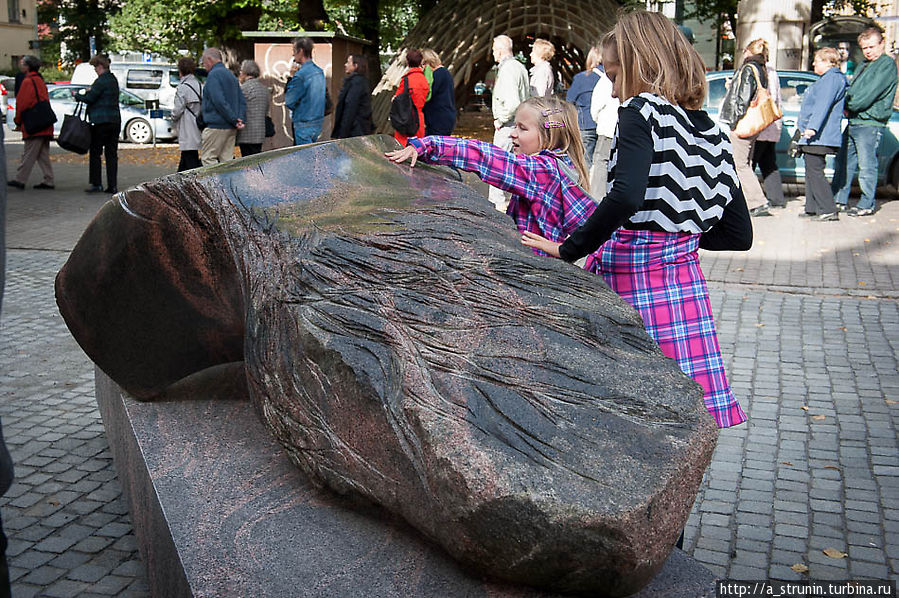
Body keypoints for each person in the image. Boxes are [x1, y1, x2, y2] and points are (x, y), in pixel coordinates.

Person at [519, 11, 750, 430]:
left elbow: (625, 195)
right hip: (684, 288)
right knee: (680, 413)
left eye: (613, 72)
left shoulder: (641, 112)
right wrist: (679, 238)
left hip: (630, 278)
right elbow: (739, 233)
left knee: (609, 402)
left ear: (642, 63)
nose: (610, 85)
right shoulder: (712, 129)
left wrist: (570, 248)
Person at [385, 96, 596, 262]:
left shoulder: (542, 171)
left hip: (536, 267)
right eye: (515, 125)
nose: (513, 133)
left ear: (549, 136)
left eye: (523, 128)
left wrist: (429, 145)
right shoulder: (558, 166)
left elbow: (486, 158)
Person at [832, 26, 898, 217]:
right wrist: (847, 103)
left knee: (867, 165)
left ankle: (866, 204)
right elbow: (852, 91)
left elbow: (866, 95)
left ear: (882, 44)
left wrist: (848, 104)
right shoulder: (864, 65)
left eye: (871, 47)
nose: (868, 51)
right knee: (843, 162)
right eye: (864, 48)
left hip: (870, 122)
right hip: (855, 120)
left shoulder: (886, 64)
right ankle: (839, 199)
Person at [720, 39, 770, 217]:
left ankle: (757, 201)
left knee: (739, 164)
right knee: (745, 163)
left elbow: (742, 99)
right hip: (753, 124)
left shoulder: (748, 68)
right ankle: (751, 201)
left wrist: (734, 122)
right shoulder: (761, 68)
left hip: (743, 123)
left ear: (748, 51)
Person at [797, 48, 848, 221]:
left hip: (819, 135)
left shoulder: (831, 79)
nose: (813, 63)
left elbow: (822, 105)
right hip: (816, 135)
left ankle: (828, 209)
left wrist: (812, 128)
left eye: (817, 60)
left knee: (815, 171)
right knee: (811, 170)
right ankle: (812, 207)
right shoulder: (829, 79)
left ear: (828, 62)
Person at [489, 34, 529, 212]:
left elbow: (512, 102)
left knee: (498, 163)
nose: (492, 54)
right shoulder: (518, 67)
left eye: (493, 50)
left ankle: (496, 205)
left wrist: (501, 120)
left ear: (499, 50)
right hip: (518, 124)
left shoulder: (508, 69)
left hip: (508, 125)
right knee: (512, 164)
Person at [8, 55, 54, 190]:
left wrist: (17, 121)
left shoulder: (27, 82)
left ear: (28, 66)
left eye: (22, 63)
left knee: (29, 153)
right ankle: (49, 179)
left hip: (34, 125)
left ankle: (20, 179)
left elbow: (22, 103)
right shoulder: (40, 80)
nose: (20, 66)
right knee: (42, 154)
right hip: (45, 122)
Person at [750, 41, 785, 211]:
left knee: (748, 164)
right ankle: (776, 198)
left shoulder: (756, 70)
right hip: (771, 124)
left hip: (758, 125)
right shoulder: (772, 72)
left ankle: (754, 200)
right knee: (768, 162)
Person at [77, 55, 121, 194]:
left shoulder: (101, 81)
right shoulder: (113, 80)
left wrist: (78, 96)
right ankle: (112, 185)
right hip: (114, 121)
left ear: (100, 66)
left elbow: (90, 98)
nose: (95, 70)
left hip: (101, 122)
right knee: (111, 154)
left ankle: (97, 183)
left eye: (95, 67)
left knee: (96, 153)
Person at [199, 48, 246, 166]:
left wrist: (233, 119)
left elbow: (219, 101)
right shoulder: (231, 75)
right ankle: (228, 184)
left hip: (216, 125)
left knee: (208, 158)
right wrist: (239, 119)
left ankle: (214, 184)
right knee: (227, 160)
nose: (204, 66)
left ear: (209, 60)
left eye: (204, 62)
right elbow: (241, 100)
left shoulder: (213, 76)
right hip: (230, 127)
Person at [589, 34, 620, 201]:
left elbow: (596, 106)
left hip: (607, 129)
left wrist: (599, 121)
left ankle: (597, 199)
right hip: (615, 127)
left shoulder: (605, 81)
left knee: (601, 164)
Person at [284, 36, 326, 146]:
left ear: (300, 51)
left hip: (303, 123)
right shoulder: (319, 72)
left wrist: (291, 77)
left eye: (294, 51)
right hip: (317, 122)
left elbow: (289, 101)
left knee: (305, 159)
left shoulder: (301, 75)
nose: (293, 54)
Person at [566, 46, 601, 171]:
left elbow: (569, 101)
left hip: (586, 123)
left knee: (585, 162)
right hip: (607, 126)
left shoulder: (582, 78)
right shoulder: (612, 78)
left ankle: (585, 189)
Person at [171, 56, 203, 172]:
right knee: (188, 156)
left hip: (186, 126)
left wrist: (172, 117)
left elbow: (177, 110)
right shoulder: (199, 85)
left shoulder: (183, 88)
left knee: (190, 158)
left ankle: (187, 183)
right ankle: (178, 179)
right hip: (197, 124)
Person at [392, 48, 429, 146]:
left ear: (407, 62)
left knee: (402, 148)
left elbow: (397, 98)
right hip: (419, 119)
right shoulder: (424, 80)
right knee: (417, 149)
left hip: (406, 118)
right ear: (421, 62)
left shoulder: (407, 79)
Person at [332, 54, 373, 139]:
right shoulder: (358, 81)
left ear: (356, 66)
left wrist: (342, 134)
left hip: (355, 130)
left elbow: (350, 108)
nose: (345, 65)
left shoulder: (357, 83)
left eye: (348, 62)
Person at [237, 60, 271, 157]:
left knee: (247, 161)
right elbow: (265, 110)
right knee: (257, 159)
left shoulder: (244, 88)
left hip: (246, 133)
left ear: (245, 72)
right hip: (260, 132)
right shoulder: (264, 89)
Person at [422, 49, 456, 136]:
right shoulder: (445, 73)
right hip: (445, 116)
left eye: (423, 64)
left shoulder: (438, 75)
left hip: (439, 118)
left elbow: (428, 94)